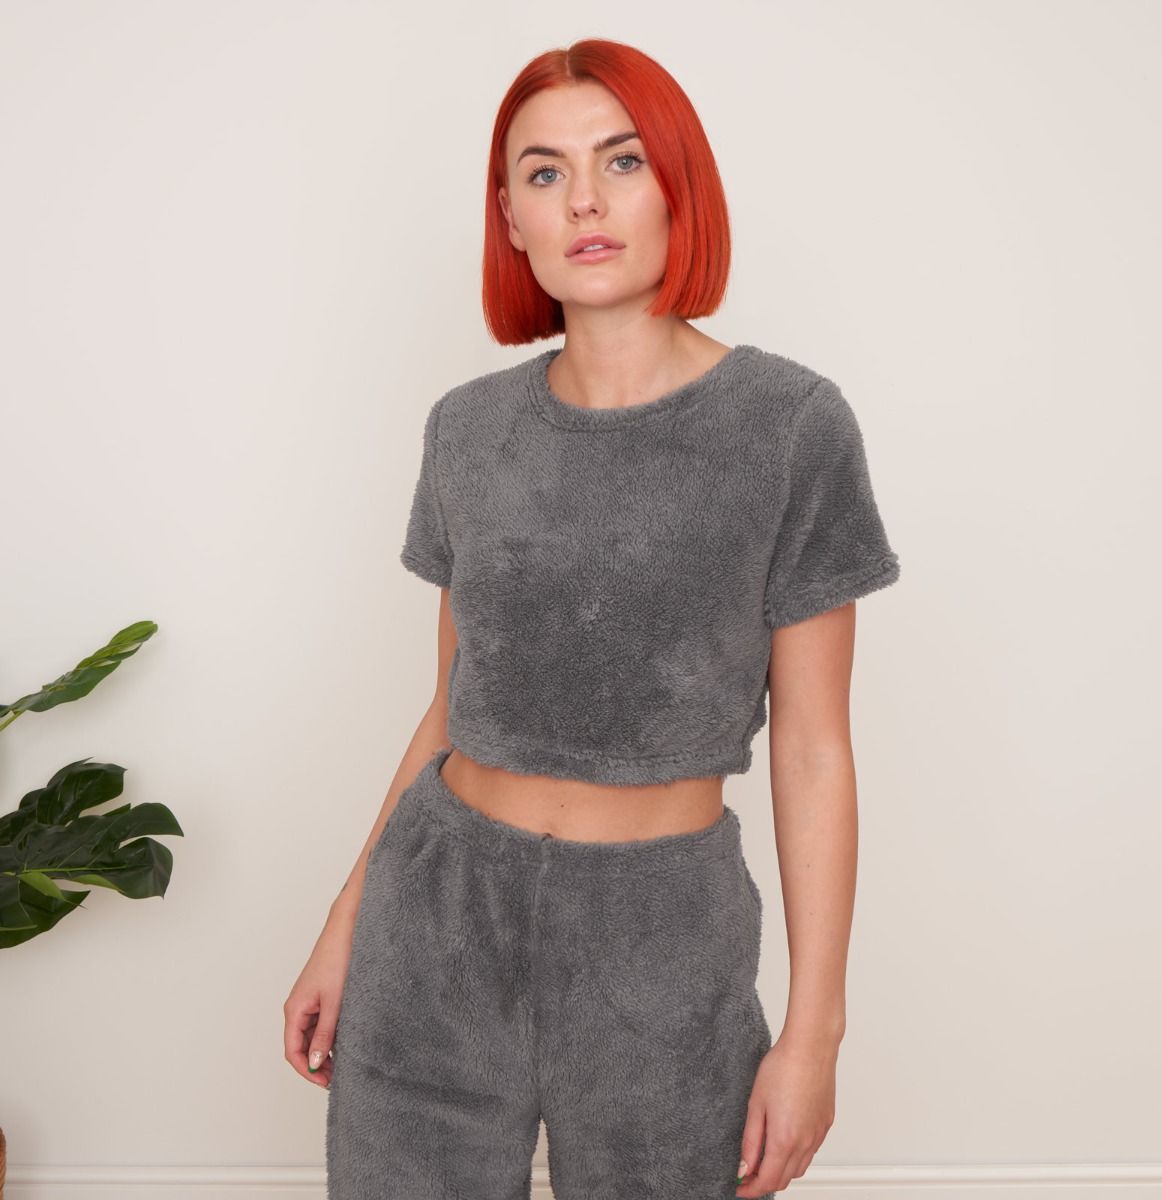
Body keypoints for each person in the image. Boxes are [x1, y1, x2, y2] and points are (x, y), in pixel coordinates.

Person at [283, 37, 901, 1200]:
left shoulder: (789, 426)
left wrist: (814, 1036)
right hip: (439, 918)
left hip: (660, 940)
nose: (585, 201)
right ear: (511, 218)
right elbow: (453, 709)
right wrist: (344, 922)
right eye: (545, 172)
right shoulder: (468, 430)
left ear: (677, 186)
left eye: (621, 161)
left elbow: (816, 750)